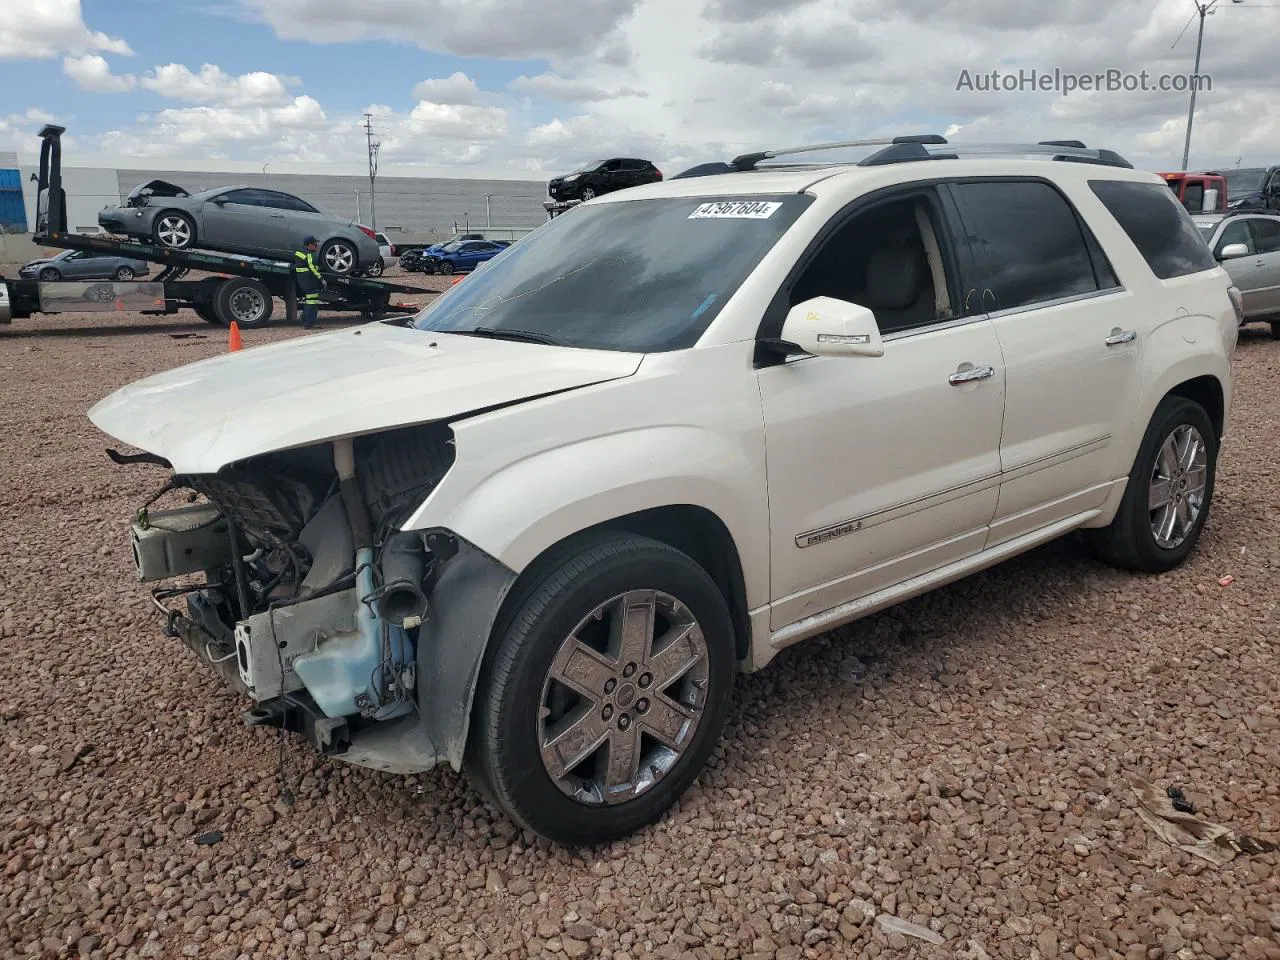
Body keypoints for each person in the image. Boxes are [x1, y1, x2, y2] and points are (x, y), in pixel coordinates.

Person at [294, 236, 324, 329]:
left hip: (302, 280)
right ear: (310, 245)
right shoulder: (309, 254)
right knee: (312, 302)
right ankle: (309, 323)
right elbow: (312, 267)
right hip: (309, 281)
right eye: (315, 244)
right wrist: (321, 278)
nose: (316, 246)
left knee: (309, 300)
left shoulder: (299, 252)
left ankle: (304, 318)